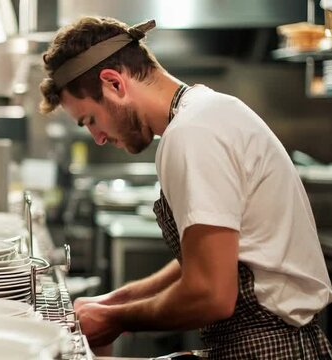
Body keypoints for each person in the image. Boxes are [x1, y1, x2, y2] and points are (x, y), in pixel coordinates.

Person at [39, 16, 332, 358]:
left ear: (114, 84)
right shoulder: (207, 112)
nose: (98, 137)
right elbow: (213, 255)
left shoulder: (193, 133)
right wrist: (115, 300)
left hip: (270, 349)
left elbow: (211, 294)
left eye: (90, 119)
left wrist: (115, 318)